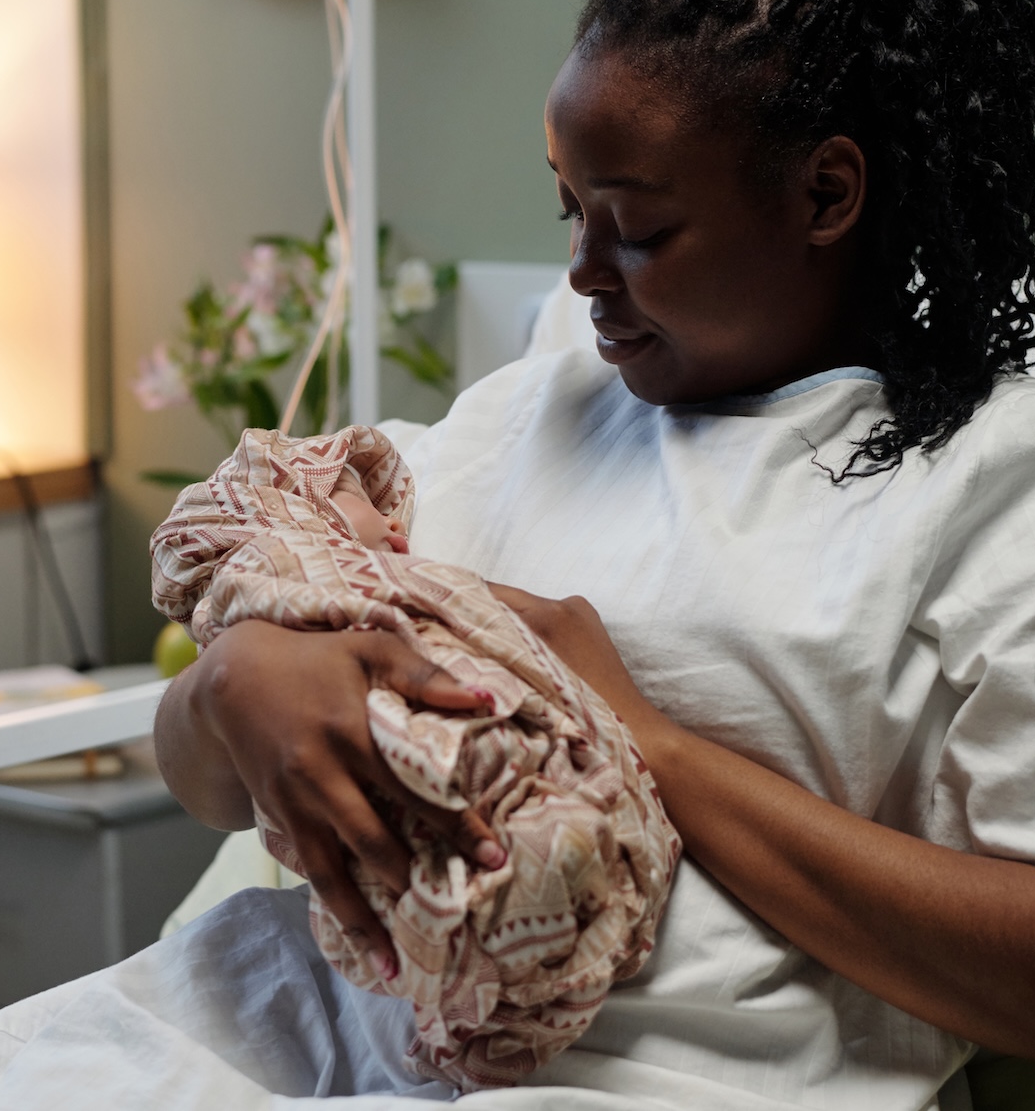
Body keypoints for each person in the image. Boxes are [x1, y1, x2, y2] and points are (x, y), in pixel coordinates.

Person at [0, 0, 1035, 1111]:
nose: (579, 276)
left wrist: (647, 746)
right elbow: (204, 772)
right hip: (319, 1021)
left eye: (635, 228)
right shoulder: (548, 401)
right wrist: (238, 683)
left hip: (666, 1067)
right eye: (567, 211)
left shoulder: (1019, 478)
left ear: (826, 195)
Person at [147, 424, 679, 1089]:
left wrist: (648, 739)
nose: (401, 535)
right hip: (312, 1006)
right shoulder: (467, 427)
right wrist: (220, 679)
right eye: (369, 510)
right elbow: (208, 786)